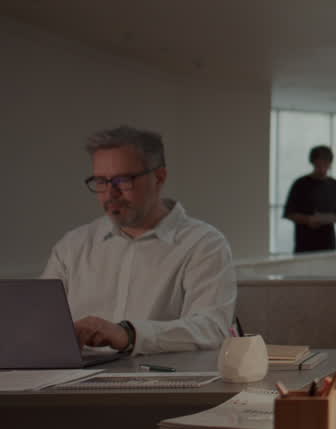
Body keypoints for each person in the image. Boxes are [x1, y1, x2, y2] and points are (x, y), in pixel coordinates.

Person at [41, 125, 236, 354]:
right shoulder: (72, 247)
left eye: (123, 180)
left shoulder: (204, 244)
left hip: (162, 384)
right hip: (71, 383)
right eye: (101, 181)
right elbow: (40, 323)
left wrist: (129, 335)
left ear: (159, 177)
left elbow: (211, 329)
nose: (110, 194)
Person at [284, 145, 336, 253]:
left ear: (330, 164)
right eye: (319, 165)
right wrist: (308, 220)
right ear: (313, 163)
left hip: (328, 243)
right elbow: (289, 213)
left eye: (325, 164)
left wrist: (327, 219)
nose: (322, 168)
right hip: (305, 243)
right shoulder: (300, 184)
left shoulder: (335, 185)